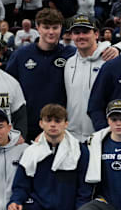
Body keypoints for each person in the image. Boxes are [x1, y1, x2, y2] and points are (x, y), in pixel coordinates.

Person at [5, 9, 76, 141]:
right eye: (46, 27)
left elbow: (93, 53)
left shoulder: (71, 54)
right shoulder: (21, 55)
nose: (51, 32)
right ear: (37, 28)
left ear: (61, 28)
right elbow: (8, 89)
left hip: (59, 126)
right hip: (27, 126)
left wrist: (112, 49)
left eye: (55, 27)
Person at [64, 15, 112, 143]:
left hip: (100, 134)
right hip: (71, 135)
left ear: (96, 34)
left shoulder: (108, 60)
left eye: (85, 32)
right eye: (76, 32)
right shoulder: (69, 63)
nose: (81, 36)